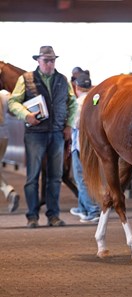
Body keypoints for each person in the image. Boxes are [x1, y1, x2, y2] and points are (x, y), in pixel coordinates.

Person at [8, 45, 77, 228]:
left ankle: (53, 216)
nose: (49, 63)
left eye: (52, 60)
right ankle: (32, 216)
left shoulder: (63, 80)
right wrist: (26, 115)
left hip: (57, 133)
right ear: (38, 61)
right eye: (46, 60)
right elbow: (13, 102)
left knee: (55, 177)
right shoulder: (26, 79)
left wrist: (69, 125)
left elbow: (73, 104)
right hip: (35, 134)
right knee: (33, 176)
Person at [69, 73, 101, 223]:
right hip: (95, 144)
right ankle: (82, 208)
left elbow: (75, 124)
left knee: (81, 178)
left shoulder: (78, 103)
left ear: (76, 87)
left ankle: (92, 210)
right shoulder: (96, 99)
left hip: (80, 145)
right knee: (90, 176)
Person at [0, 90, 20, 213]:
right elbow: (15, 112)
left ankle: (8, 191)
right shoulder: (4, 95)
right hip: (3, 136)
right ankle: (8, 192)